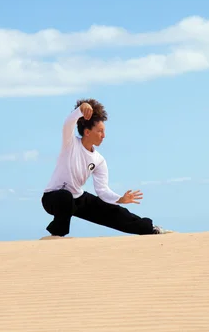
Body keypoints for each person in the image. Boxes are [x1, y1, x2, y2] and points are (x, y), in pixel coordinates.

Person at [41, 98, 173, 237]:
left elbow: (102, 190)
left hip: (78, 198)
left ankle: (151, 229)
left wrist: (119, 199)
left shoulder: (99, 160)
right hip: (53, 198)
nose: (104, 136)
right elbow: (68, 123)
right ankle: (56, 236)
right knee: (65, 196)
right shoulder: (71, 144)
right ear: (87, 132)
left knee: (114, 212)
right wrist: (81, 109)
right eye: (100, 131)